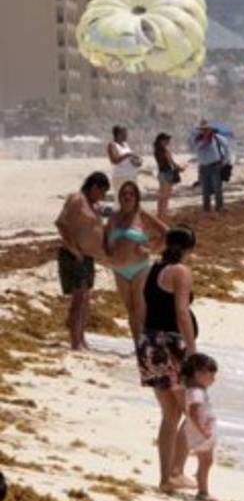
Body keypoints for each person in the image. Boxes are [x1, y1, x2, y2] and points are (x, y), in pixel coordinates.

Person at [138, 226, 198, 494]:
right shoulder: (181, 272)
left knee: (170, 414)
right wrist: (192, 351)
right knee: (194, 412)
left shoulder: (154, 269)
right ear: (189, 249)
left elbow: (143, 308)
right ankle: (176, 472)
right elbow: (182, 313)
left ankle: (167, 478)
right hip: (170, 345)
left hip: (149, 342)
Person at [103, 181, 167, 344]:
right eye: (124, 194)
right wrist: (108, 253)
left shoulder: (142, 215)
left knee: (139, 306)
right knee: (130, 309)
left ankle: (144, 341)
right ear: (120, 197)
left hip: (140, 268)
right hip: (119, 269)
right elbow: (105, 238)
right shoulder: (114, 217)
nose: (127, 197)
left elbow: (166, 232)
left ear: (136, 197)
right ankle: (137, 343)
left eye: (131, 194)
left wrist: (151, 250)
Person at [53, 172, 109, 351]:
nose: (103, 196)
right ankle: (75, 342)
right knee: (79, 299)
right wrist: (74, 250)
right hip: (75, 256)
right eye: (102, 192)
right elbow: (62, 224)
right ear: (94, 187)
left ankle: (81, 337)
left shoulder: (93, 204)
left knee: (85, 299)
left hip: (88, 257)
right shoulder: (77, 200)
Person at [181, 353, 221, 501]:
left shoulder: (195, 390)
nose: (213, 378)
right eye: (210, 374)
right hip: (200, 431)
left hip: (201, 430)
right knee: (206, 460)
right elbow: (193, 412)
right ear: (198, 373)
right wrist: (202, 430)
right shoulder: (196, 392)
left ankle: (201, 479)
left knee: (206, 460)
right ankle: (203, 491)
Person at [189, 121, 230, 213]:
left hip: (215, 166)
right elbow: (195, 149)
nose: (205, 131)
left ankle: (219, 207)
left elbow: (227, 148)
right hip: (203, 167)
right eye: (203, 130)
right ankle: (206, 208)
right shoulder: (197, 140)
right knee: (205, 189)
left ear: (211, 130)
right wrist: (204, 141)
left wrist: (226, 161)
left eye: (206, 129)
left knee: (217, 188)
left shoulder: (218, 138)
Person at [152, 132, 184, 221]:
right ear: (161, 141)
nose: (168, 141)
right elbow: (172, 163)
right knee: (165, 197)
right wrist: (181, 168)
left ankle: (159, 215)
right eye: (166, 140)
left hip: (161, 173)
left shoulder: (157, 151)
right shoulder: (165, 151)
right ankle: (163, 216)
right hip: (167, 174)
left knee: (161, 196)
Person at [106, 124, 140, 190]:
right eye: (124, 133)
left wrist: (136, 161)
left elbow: (128, 159)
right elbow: (114, 161)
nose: (126, 135)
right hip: (120, 176)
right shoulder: (112, 145)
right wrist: (128, 154)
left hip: (131, 175)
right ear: (118, 134)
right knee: (120, 198)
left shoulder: (125, 144)